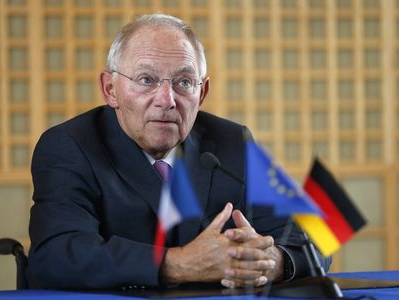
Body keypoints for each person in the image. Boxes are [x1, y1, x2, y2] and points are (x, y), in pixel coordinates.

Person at [27, 13, 330, 289]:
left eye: (184, 82)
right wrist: (181, 263)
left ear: (203, 93)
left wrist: (272, 262)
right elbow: (56, 256)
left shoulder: (231, 142)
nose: (166, 99)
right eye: (146, 80)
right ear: (110, 90)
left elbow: (313, 238)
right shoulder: (70, 146)